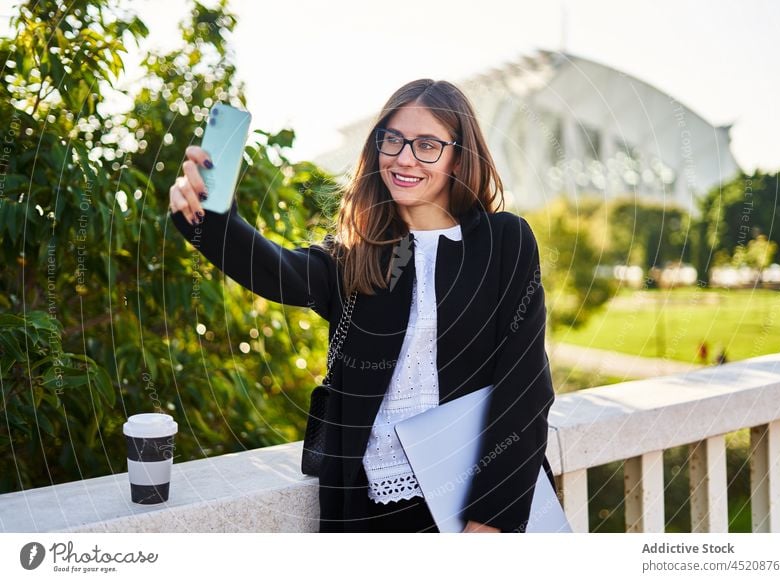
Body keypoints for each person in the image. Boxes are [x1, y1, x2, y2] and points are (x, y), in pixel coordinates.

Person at [168, 79, 555, 533]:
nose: (404, 158)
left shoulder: (504, 241)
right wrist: (209, 221)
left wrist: (489, 522)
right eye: (392, 139)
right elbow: (276, 271)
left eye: (427, 144)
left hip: (476, 502)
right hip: (369, 505)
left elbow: (524, 384)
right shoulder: (360, 254)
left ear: (459, 154)